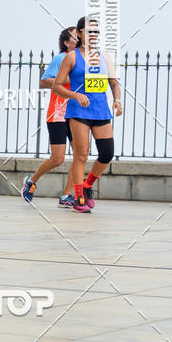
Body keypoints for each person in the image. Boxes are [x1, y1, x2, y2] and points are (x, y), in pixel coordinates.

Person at [52, 16, 122, 213]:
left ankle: (88, 185)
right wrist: (75, 95)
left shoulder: (105, 56)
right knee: (81, 154)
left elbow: (114, 83)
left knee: (107, 153)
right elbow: (57, 86)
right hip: (78, 111)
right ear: (80, 33)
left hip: (101, 111)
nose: (93, 35)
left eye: (96, 32)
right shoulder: (71, 57)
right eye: (90, 31)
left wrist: (117, 100)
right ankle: (79, 198)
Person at [21, 27, 77, 207]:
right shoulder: (60, 59)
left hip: (77, 113)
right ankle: (32, 180)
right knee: (57, 159)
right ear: (66, 42)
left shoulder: (83, 60)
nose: (79, 37)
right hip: (58, 113)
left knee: (80, 156)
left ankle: (67, 195)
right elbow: (44, 82)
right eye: (75, 36)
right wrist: (66, 80)